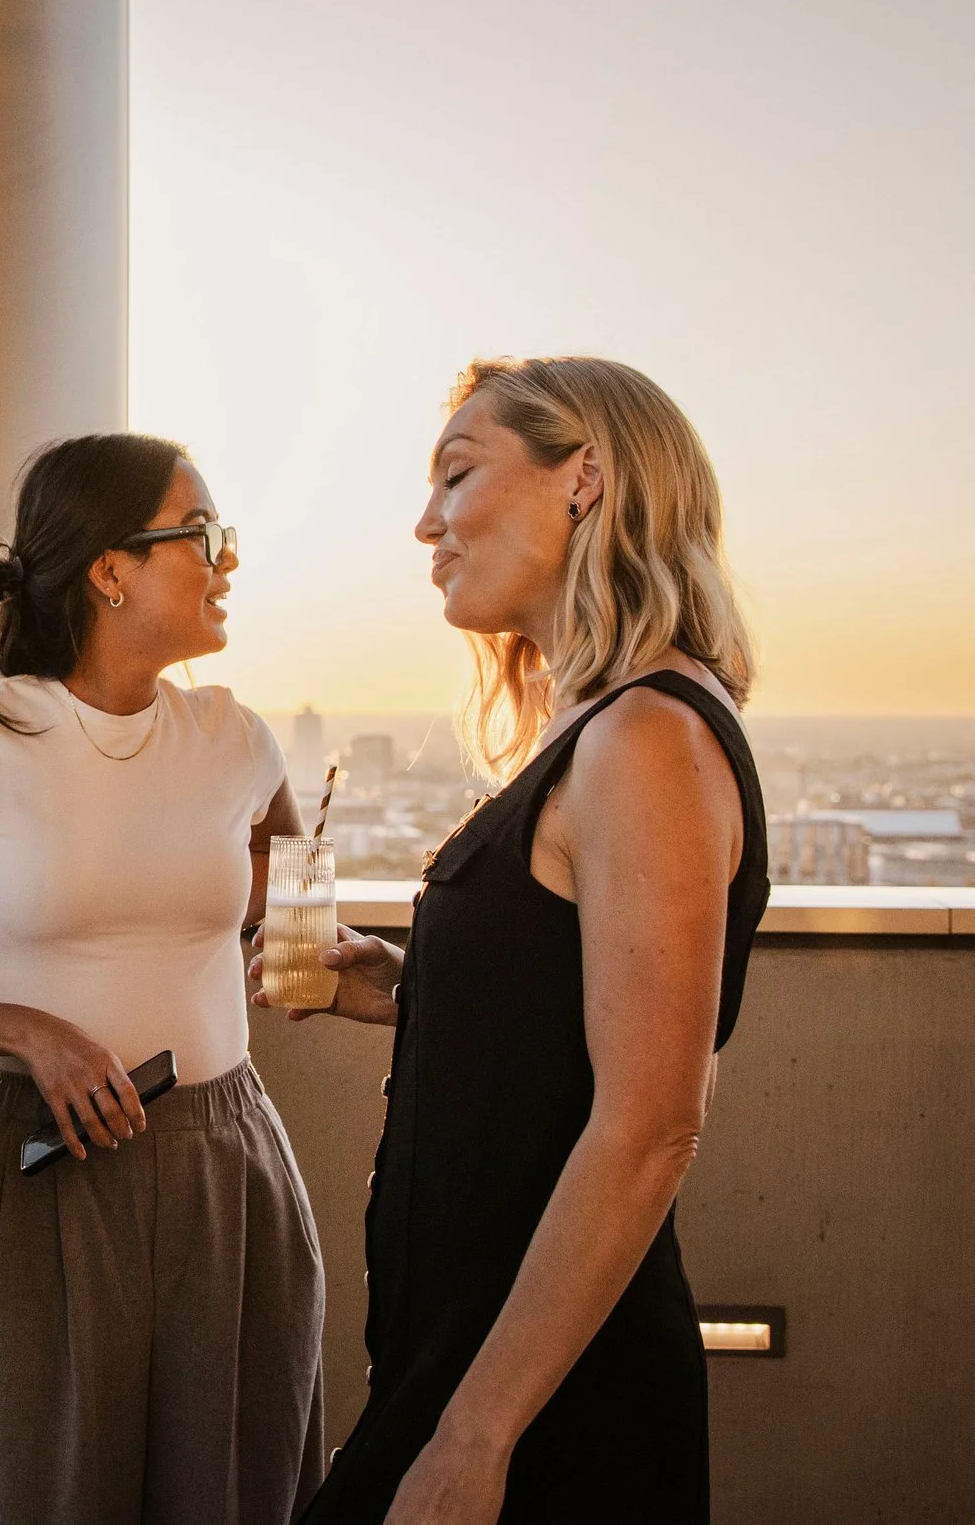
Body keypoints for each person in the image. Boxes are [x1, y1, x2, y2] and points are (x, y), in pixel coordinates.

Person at [0, 432, 325, 1525]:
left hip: (225, 1161)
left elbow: (287, 910)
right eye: (205, 534)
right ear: (110, 566)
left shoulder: (236, 739)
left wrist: (325, 958)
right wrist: (15, 1027)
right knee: (46, 1492)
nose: (227, 560)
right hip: (46, 1158)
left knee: (239, 1495)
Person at [281, 357, 768, 1524]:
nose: (423, 523)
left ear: (584, 478)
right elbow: (569, 1016)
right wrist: (409, 986)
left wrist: (475, 1434)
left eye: (456, 473)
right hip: (478, 1350)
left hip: (547, 1399)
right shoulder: (606, 724)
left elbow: (653, 1119)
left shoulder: (647, 734)